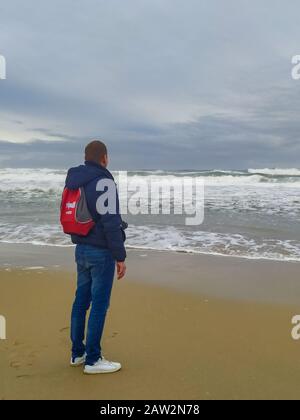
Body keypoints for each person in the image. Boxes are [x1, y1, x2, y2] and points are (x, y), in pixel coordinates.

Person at [65, 140, 127, 374]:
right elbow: (111, 223)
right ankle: (93, 360)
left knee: (80, 302)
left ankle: (77, 354)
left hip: (80, 248)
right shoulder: (104, 182)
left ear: (86, 157)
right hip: (101, 253)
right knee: (99, 305)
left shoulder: (75, 179)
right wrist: (120, 256)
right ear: (104, 158)